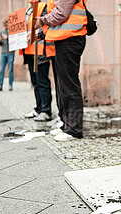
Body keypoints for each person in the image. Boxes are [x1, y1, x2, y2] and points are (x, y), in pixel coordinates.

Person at [34, 0, 87, 141]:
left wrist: (42, 20)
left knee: (69, 86)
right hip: (66, 38)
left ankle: (74, 129)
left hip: (70, 38)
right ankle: (67, 125)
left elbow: (61, 13)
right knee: (65, 86)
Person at [21, 0, 57, 121]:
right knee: (35, 81)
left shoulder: (43, 7)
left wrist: (36, 34)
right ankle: (39, 108)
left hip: (40, 50)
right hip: (29, 50)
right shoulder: (27, 11)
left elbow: (46, 25)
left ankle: (46, 110)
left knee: (42, 81)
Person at [0, 18, 15, 92]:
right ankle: (0, 85)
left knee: (10, 70)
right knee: (1, 70)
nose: (6, 25)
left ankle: (10, 85)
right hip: (3, 53)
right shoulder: (2, 32)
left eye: (7, 24)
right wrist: (0, 40)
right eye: (5, 24)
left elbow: (14, 42)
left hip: (10, 53)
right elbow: (0, 44)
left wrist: (7, 38)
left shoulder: (12, 31)